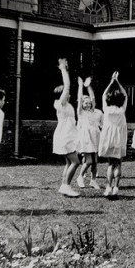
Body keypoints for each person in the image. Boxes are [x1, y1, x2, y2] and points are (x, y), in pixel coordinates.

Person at [53, 58, 80, 197]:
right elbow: (67, 85)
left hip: (67, 135)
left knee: (69, 162)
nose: (68, 93)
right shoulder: (60, 104)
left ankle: (64, 185)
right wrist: (63, 69)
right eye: (65, 92)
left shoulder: (68, 105)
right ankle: (66, 186)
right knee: (75, 161)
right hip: (65, 136)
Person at [98, 71, 128, 197]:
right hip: (119, 138)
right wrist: (118, 82)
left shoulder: (106, 109)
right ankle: (116, 187)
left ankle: (109, 187)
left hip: (109, 138)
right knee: (118, 163)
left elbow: (104, 94)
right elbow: (125, 95)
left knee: (110, 163)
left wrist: (111, 82)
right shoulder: (122, 110)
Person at [75, 76, 100, 189]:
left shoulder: (93, 111)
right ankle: (80, 176)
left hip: (94, 136)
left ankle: (93, 180)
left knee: (95, 161)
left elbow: (93, 98)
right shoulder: (80, 112)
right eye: (86, 103)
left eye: (89, 103)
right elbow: (80, 99)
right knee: (89, 160)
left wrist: (88, 86)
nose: (88, 105)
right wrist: (80, 86)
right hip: (86, 137)